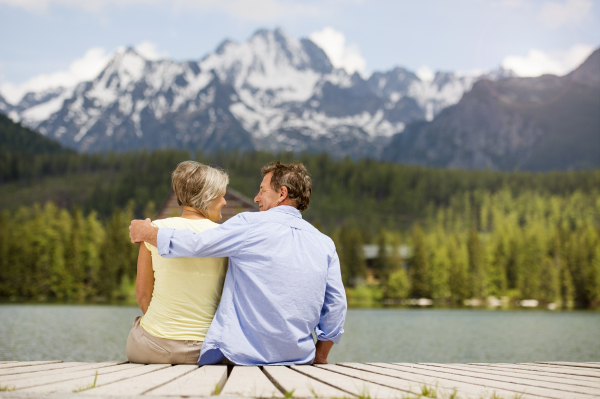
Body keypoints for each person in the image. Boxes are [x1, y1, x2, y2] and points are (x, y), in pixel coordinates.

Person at [129, 161, 347, 366]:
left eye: (262, 190)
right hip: (300, 358)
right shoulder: (325, 244)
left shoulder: (249, 225)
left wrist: (148, 232)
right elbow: (336, 306)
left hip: (245, 358)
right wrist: (320, 355)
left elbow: (197, 244)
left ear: (282, 193)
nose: (256, 198)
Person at [125, 161, 229, 364]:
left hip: (153, 349)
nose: (225, 202)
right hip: (207, 350)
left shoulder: (154, 230)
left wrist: (168, 332)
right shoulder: (224, 237)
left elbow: (143, 296)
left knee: (140, 325)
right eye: (222, 195)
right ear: (207, 197)